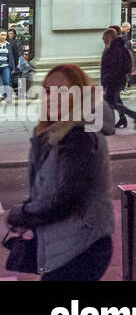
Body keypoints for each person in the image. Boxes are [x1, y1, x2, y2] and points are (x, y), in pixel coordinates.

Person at [4, 64, 114, 281]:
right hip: (67, 245)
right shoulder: (57, 132)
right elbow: (46, 190)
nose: (52, 97)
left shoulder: (78, 135)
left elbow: (65, 199)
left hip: (80, 248)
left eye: (62, 91)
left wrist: (17, 214)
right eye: (47, 91)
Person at [99, 27, 136, 131]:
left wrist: (107, 79)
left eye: (104, 36)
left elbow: (114, 67)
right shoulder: (112, 47)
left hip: (114, 80)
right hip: (113, 79)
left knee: (109, 103)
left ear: (109, 37)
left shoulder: (115, 49)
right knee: (113, 101)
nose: (102, 39)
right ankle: (128, 117)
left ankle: (111, 126)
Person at [0, 28, 11, 104]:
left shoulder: (8, 44)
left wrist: (13, 66)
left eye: (5, 35)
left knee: (6, 81)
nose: (3, 36)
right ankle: (2, 96)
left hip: (6, 66)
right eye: (2, 35)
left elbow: (11, 56)